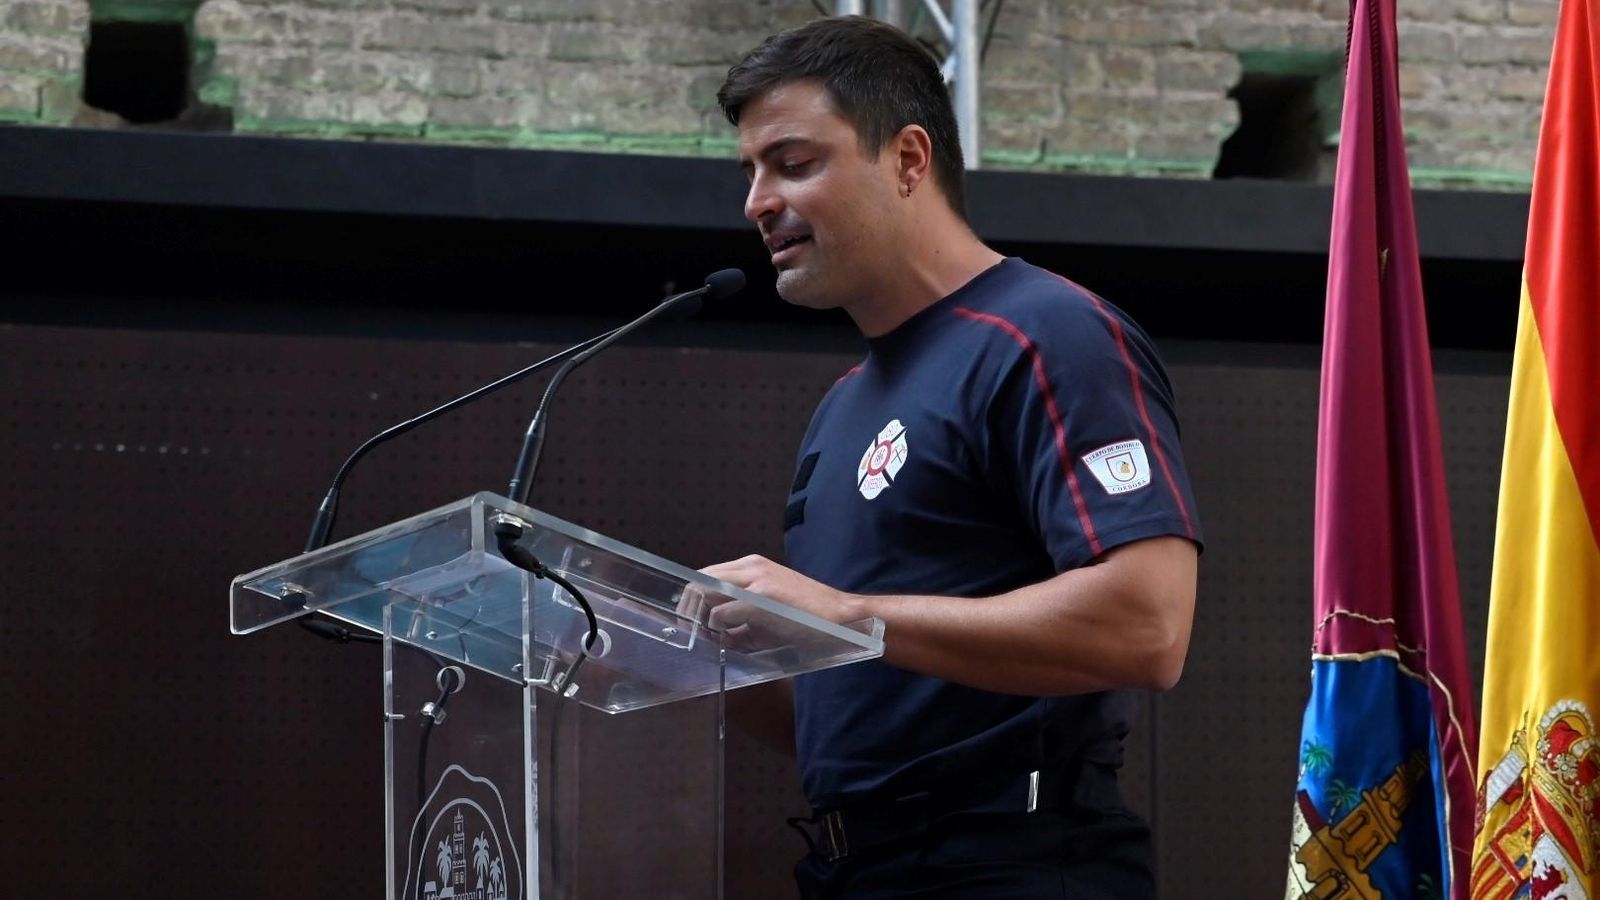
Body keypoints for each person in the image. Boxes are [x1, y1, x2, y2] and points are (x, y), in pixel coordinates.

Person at [701, 16, 1203, 899]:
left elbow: (1148, 624)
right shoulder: (841, 406)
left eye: (793, 163)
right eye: (750, 173)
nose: (757, 202)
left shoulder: (1047, 334)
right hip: (855, 869)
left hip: (1014, 862)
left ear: (908, 159)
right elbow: (856, 713)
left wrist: (846, 614)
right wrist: (696, 660)